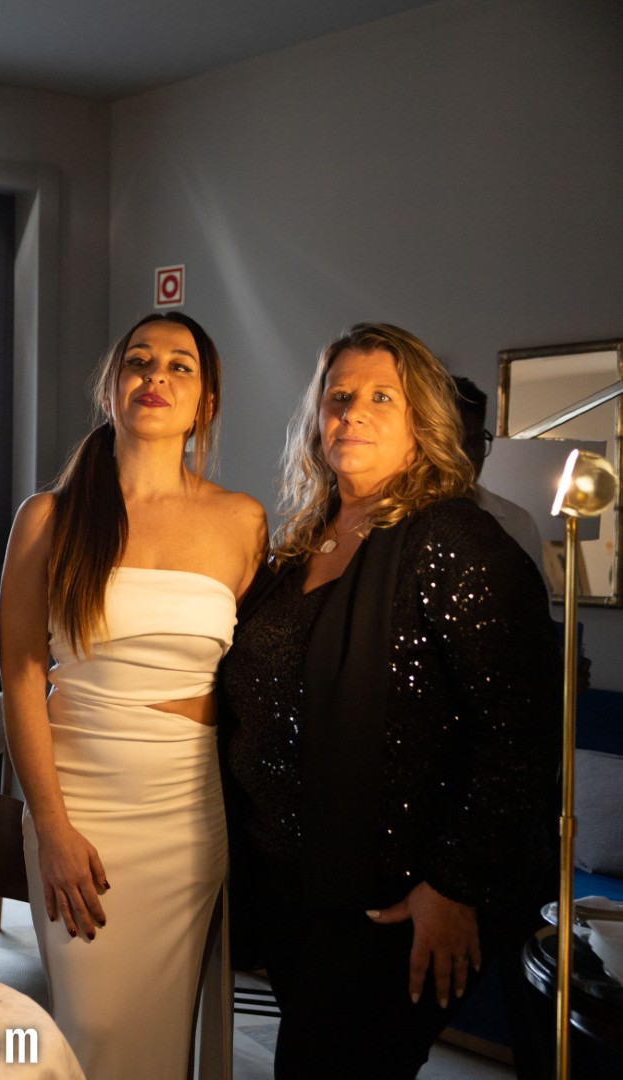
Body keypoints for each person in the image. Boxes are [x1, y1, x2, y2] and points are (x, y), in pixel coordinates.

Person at [222, 323, 560, 1079]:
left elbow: (519, 736)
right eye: (339, 396)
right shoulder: (304, 544)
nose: (353, 412)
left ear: (422, 423)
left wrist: (454, 887)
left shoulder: (456, 540)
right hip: (298, 892)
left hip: (394, 902)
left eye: (382, 397)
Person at [0, 311, 266, 1078]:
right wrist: (51, 826)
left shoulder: (243, 521)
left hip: (187, 815)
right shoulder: (48, 518)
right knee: (95, 1027)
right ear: (111, 388)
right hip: (80, 805)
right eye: (139, 361)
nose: (156, 376)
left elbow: (257, 677)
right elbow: (21, 676)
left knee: (159, 1035)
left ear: (205, 403)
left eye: (180, 366)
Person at [452, 375, 545, 571]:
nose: (466, 458)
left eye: (475, 443)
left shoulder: (517, 521)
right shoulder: (404, 520)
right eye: (454, 445)